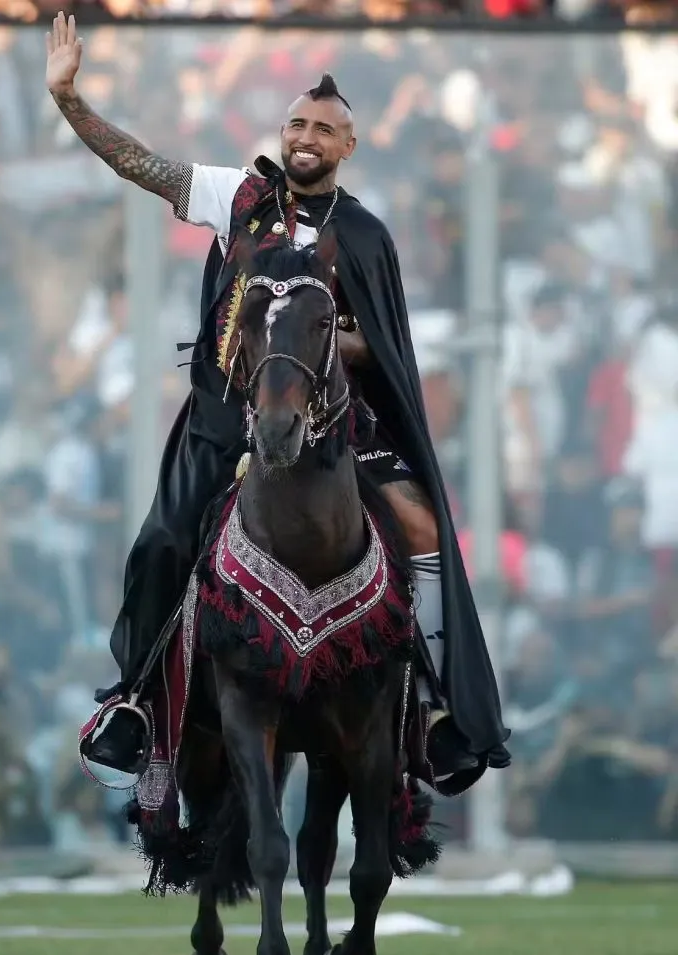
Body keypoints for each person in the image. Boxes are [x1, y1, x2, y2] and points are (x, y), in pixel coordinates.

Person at [46, 14, 510, 788]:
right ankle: (135, 705)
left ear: (346, 147)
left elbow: (382, 349)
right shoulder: (238, 196)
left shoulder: (364, 234)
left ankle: (434, 703)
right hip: (231, 418)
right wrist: (68, 100)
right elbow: (141, 165)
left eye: (325, 128)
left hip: (337, 423)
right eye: (297, 121)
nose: (307, 135)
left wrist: (322, 346)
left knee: (423, 522)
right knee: (165, 541)